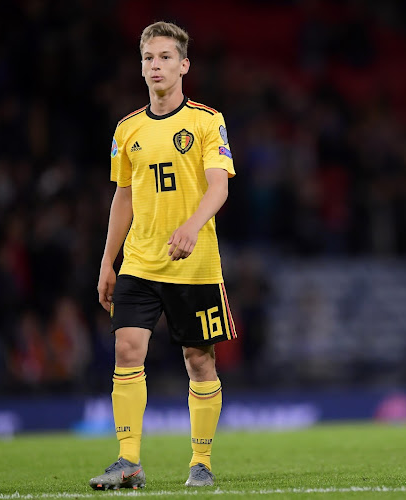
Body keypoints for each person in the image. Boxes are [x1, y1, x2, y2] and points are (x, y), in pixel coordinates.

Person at [91, 21, 237, 489]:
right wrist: (107, 261)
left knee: (199, 360)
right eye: (148, 59)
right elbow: (123, 198)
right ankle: (128, 460)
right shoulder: (127, 129)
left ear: (184, 65)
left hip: (193, 264)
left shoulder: (206, 121)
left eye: (165, 57)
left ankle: (201, 462)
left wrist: (192, 227)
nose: (156, 66)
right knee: (127, 350)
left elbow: (219, 186)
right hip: (140, 261)